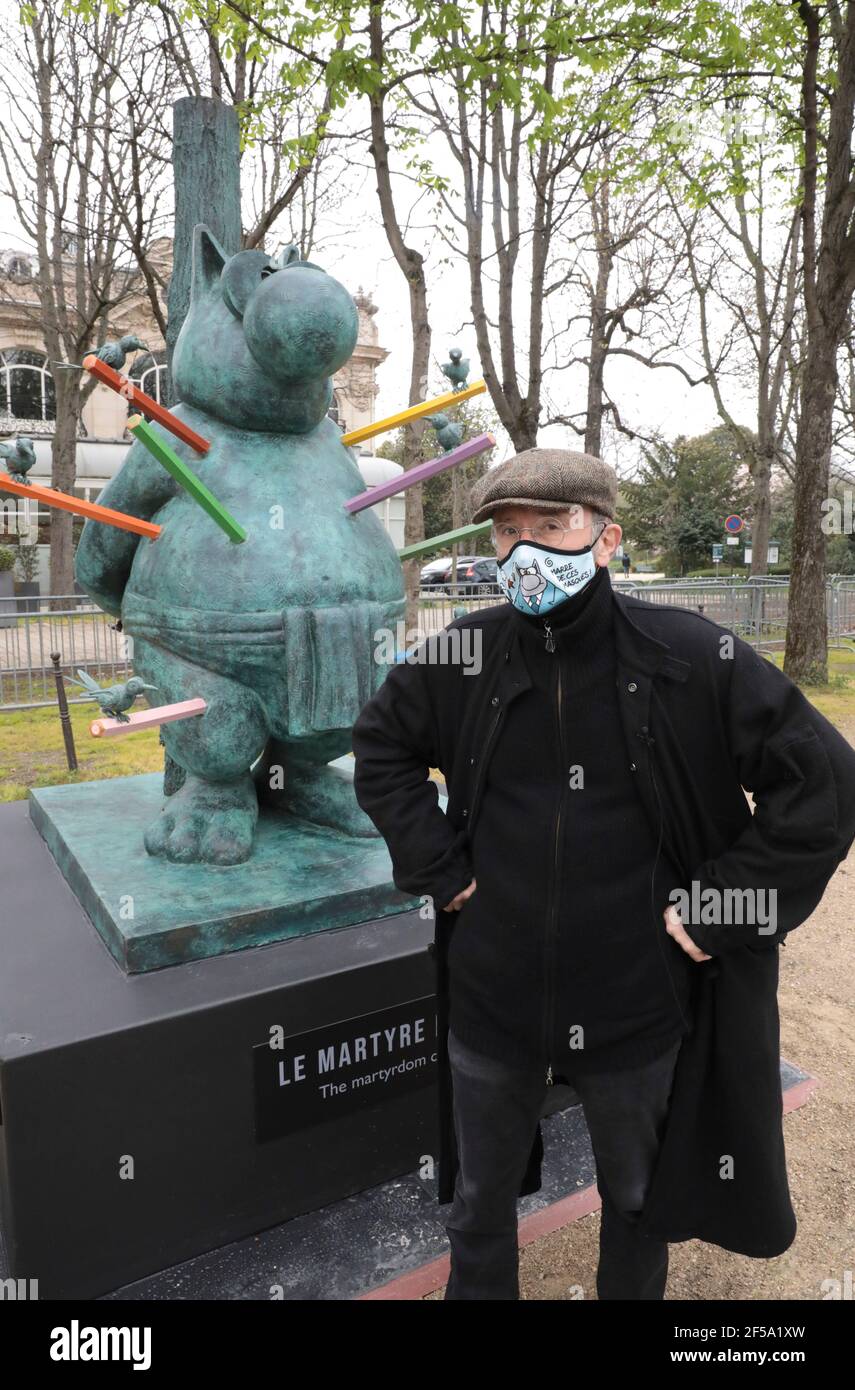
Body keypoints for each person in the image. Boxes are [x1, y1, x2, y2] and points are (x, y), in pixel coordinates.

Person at [350, 447, 855, 1301]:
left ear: (606, 538)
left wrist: (719, 910)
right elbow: (381, 749)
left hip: (634, 999)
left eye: (551, 527)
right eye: (507, 533)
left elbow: (824, 785)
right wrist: (436, 863)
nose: (524, 552)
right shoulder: (461, 653)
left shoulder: (689, 655)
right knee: (477, 1204)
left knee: (635, 1199)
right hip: (492, 995)